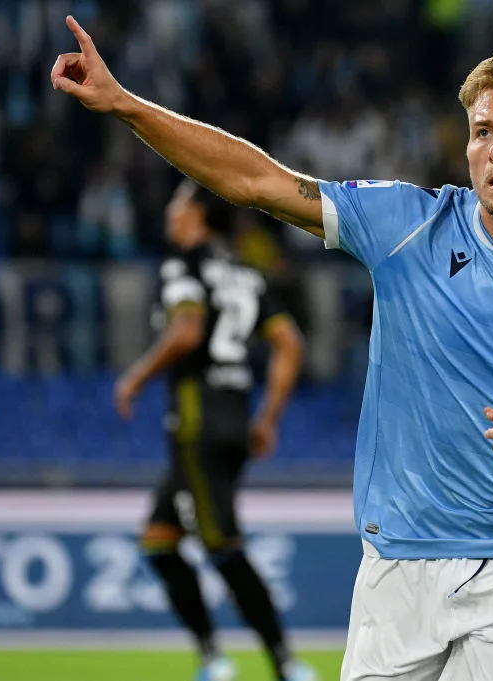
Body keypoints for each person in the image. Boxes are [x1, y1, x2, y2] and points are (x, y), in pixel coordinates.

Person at [53, 16, 493, 681]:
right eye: (483, 131)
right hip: (397, 567)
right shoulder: (409, 225)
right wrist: (123, 104)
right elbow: (258, 182)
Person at [113, 178, 315, 681]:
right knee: (159, 540)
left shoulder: (183, 265)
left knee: (221, 543)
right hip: (236, 419)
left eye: (179, 203)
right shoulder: (248, 274)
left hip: (196, 420)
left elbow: (186, 331)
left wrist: (135, 377)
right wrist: (267, 417)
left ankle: (283, 662)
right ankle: (212, 656)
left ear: (197, 216)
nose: (170, 211)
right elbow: (290, 344)